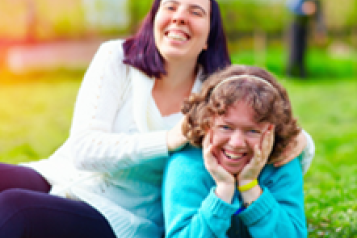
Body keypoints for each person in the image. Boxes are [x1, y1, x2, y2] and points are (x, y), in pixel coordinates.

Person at [0, 0, 313, 238]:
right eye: (171, 6)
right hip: (62, 176)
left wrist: (299, 139)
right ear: (154, 19)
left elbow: (267, 122)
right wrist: (167, 140)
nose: (179, 16)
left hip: (120, 212)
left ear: (209, 37)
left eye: (196, 11)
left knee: (15, 209)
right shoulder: (116, 58)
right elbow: (84, 150)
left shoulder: (216, 93)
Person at [163, 65, 308, 238]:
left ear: (272, 132)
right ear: (206, 124)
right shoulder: (186, 164)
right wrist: (223, 192)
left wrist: (249, 186)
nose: (237, 143)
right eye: (225, 127)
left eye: (253, 131)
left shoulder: (281, 163)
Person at [286, 0, 326, 78]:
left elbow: (318, 14)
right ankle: (290, 72)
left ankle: (302, 73)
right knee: (294, 49)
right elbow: (290, 5)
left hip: (306, 23)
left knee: (303, 50)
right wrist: (302, 9)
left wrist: (320, 31)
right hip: (296, 21)